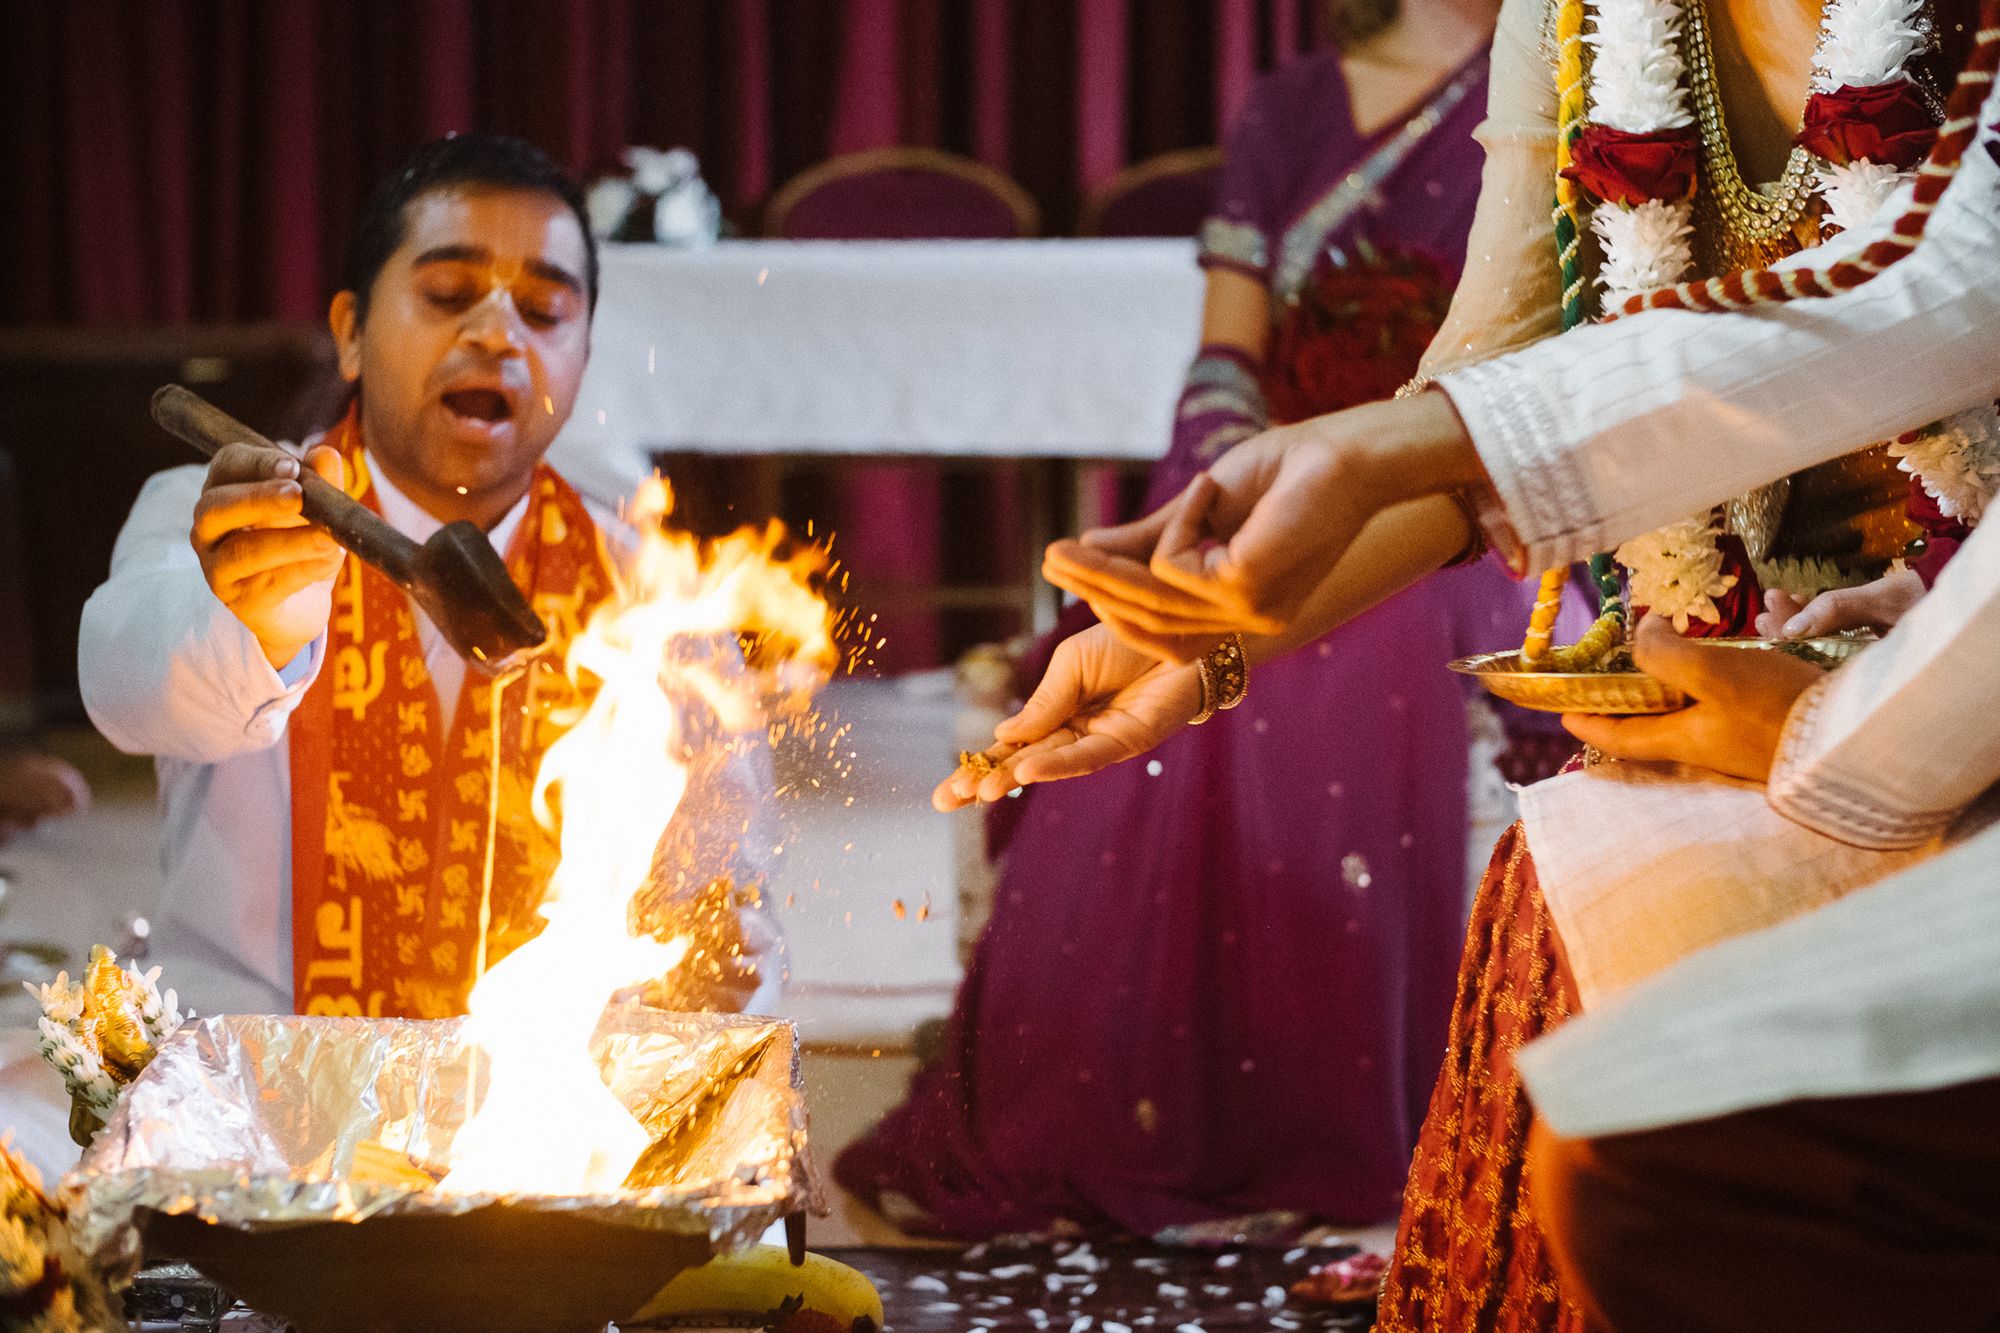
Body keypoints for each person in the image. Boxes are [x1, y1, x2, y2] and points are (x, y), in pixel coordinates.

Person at [975, 0, 1993, 1320]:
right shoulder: (1576, 15)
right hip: (1695, 702)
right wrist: (1201, 632)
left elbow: (1940, 296)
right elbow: (1486, 409)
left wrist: (1831, 726)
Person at [833, 0, 1572, 1241]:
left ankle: (1330, 1115)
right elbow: (1226, 347)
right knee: (1161, 619)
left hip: (1486, 485)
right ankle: (1128, 1103)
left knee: (1362, 647)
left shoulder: (1580, 76)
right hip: (1280, 469)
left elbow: (1563, 386)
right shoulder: (1289, 107)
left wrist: (1363, 476)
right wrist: (1233, 467)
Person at [79, 134, 781, 1019]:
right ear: (349, 332)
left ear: (583, 361)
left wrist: (716, 957)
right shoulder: (217, 514)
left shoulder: (646, 585)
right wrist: (252, 626)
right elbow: (121, 688)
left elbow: (728, 879)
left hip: (546, 1104)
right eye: (449, 293)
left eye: (545, 311)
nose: (496, 333)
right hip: (253, 1085)